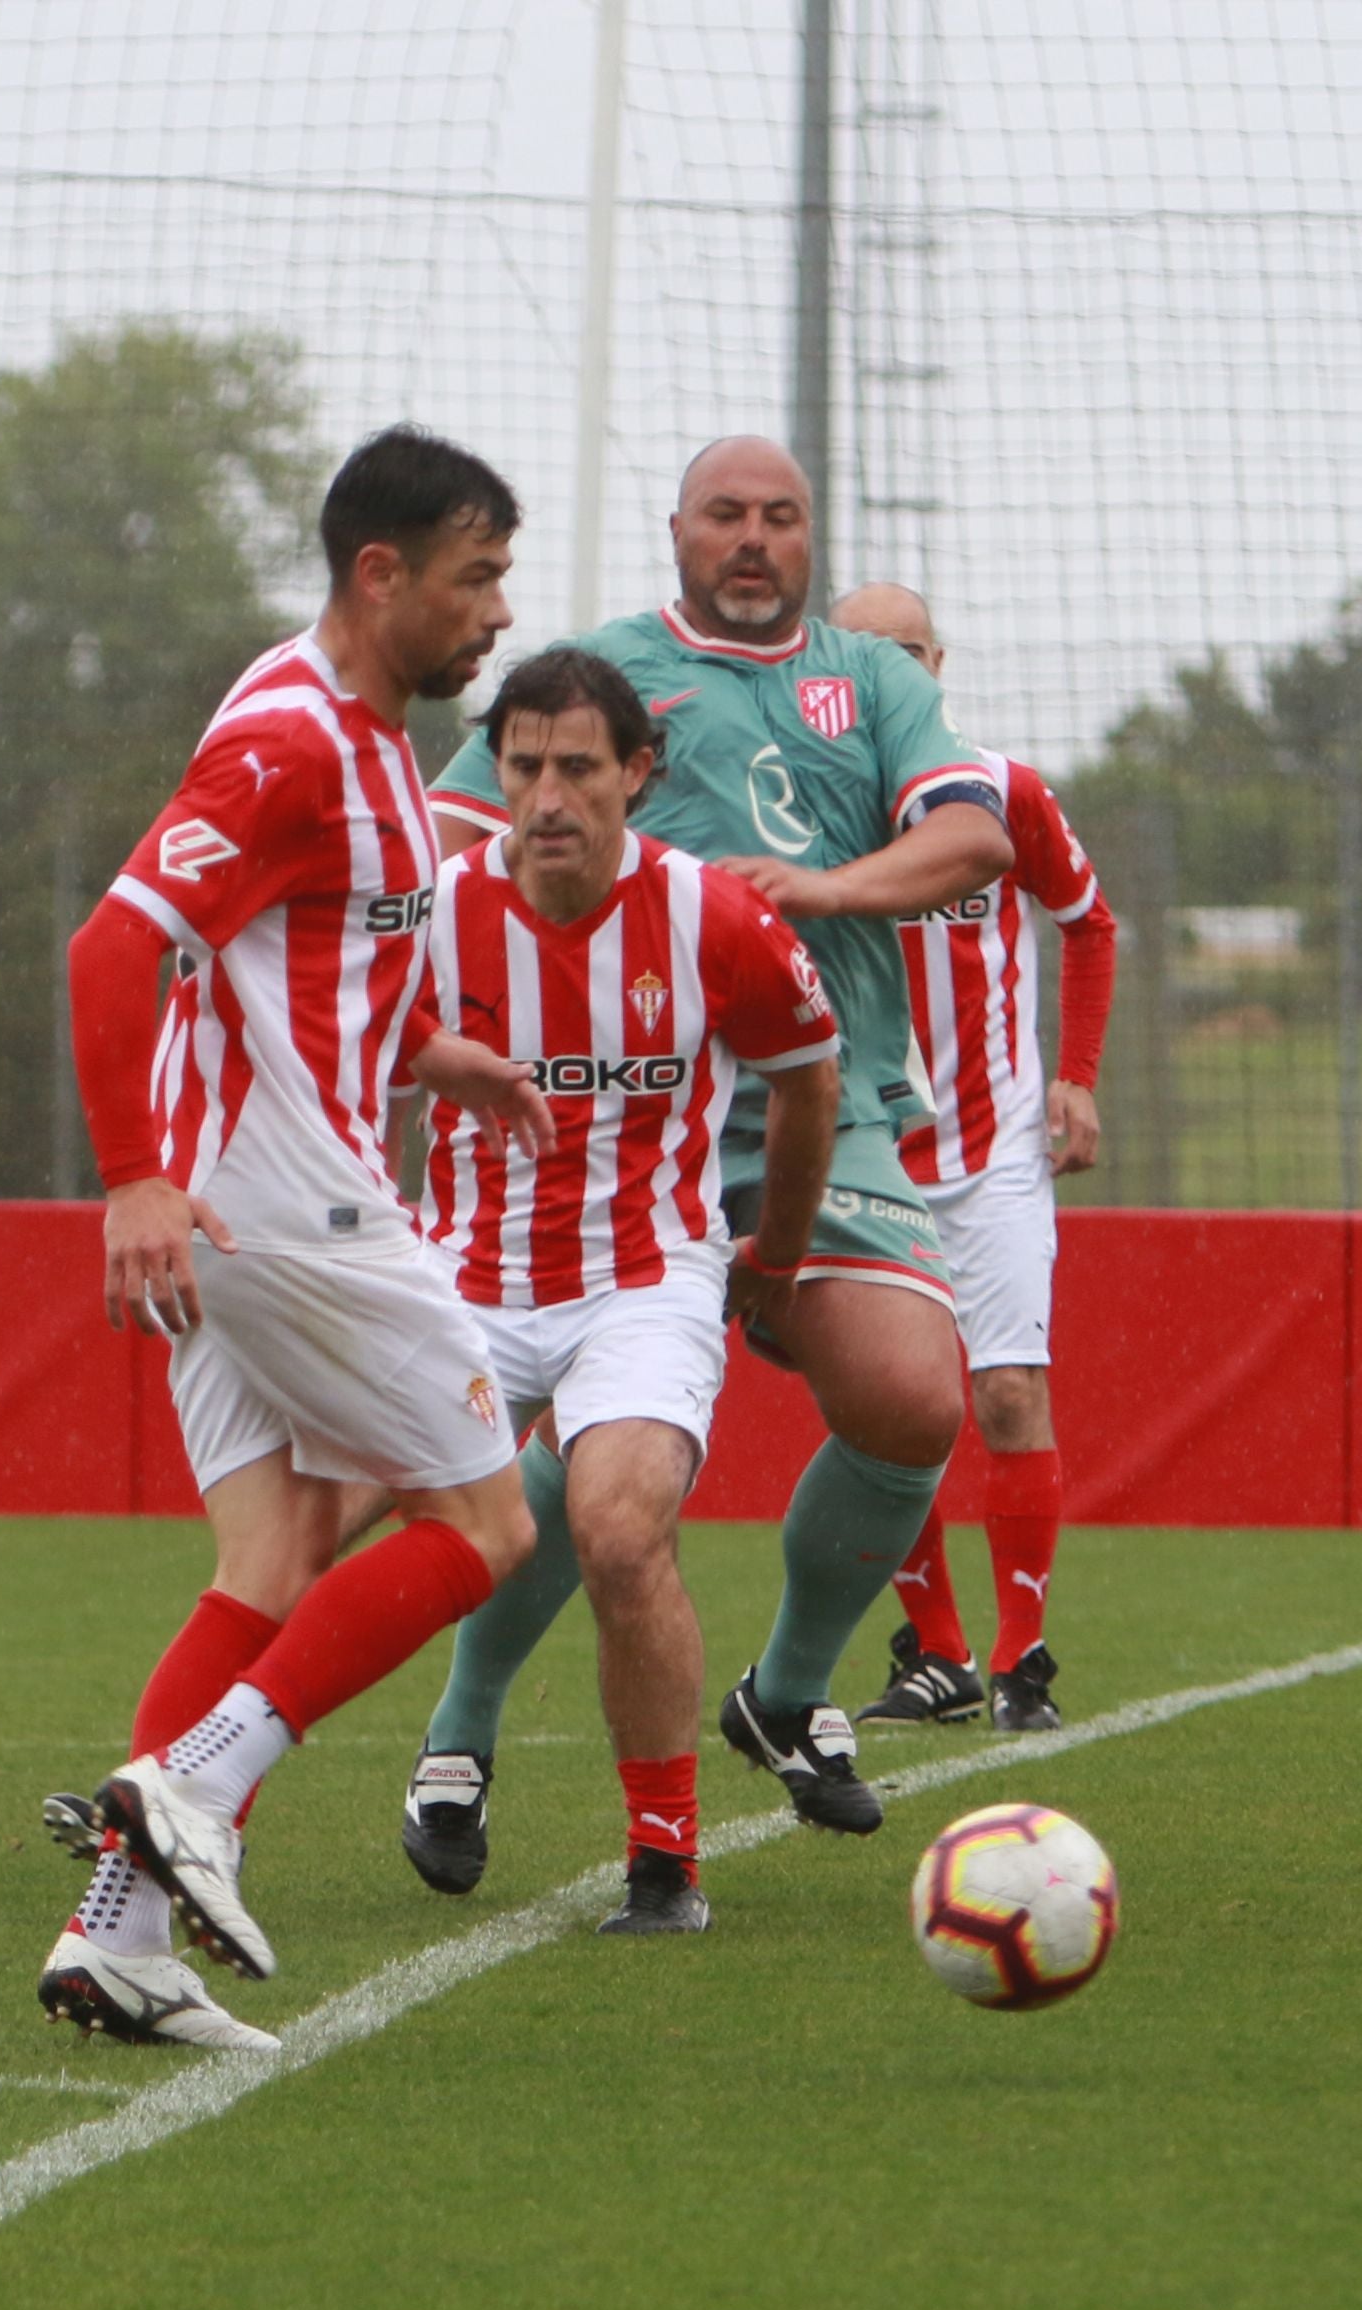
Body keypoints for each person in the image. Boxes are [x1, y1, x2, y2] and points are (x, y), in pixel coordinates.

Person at [401, 434, 1014, 1877]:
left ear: (810, 537)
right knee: (591, 1471)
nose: (752, 538)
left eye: (779, 517)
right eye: (724, 514)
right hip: (612, 1115)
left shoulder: (874, 681)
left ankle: (785, 1692)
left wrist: (821, 888)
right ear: (675, 530)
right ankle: (462, 1721)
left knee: (914, 1398)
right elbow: (443, 846)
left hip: (823, 1096)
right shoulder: (598, 678)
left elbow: (974, 838)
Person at [39, 424, 558, 2050]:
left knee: (272, 1557)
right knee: (485, 1520)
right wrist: (132, 1176)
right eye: (475, 577)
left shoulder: (372, 742)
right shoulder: (291, 744)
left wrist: (432, 1054)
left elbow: (294, 969)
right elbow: (113, 947)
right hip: (279, 1199)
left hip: (240, 1196)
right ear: (379, 573)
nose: (497, 611)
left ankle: (117, 1940)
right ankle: (198, 1783)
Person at [402, 645, 841, 1934]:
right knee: (318, 1520)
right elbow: (334, 1062)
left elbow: (809, 1075)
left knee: (618, 1531)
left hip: (644, 1280)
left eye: (579, 768)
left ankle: (664, 1860)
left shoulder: (713, 916)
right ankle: (198, 1803)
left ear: (639, 772)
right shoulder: (428, 914)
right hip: (461, 1279)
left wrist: (775, 1257)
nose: (548, 797)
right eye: (523, 765)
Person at [825, 583, 1117, 1734]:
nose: (890, 671)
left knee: (1005, 1391)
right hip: (866, 1154)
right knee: (892, 1413)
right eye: (865, 653)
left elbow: (1088, 923)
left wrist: (1077, 1074)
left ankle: (1020, 1657)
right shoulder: (807, 805)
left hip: (993, 1152)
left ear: (937, 664)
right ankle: (936, 1653)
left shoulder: (1001, 792)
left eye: (907, 651)